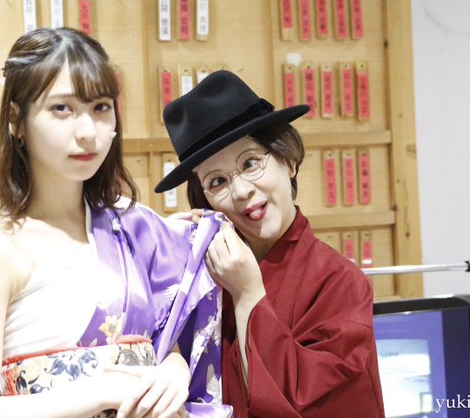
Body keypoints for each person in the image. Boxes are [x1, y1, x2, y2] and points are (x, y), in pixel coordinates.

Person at [0, 28, 232, 418]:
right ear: (16, 120)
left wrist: (174, 370)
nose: (88, 131)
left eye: (100, 107)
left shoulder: (135, 229)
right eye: (62, 108)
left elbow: (162, 344)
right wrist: (98, 392)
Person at [155, 70, 385, 417]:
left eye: (250, 163)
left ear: (287, 160)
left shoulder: (341, 283)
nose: (241, 191)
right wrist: (169, 265)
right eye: (217, 181)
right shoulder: (203, 282)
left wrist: (248, 295)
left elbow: (304, 405)